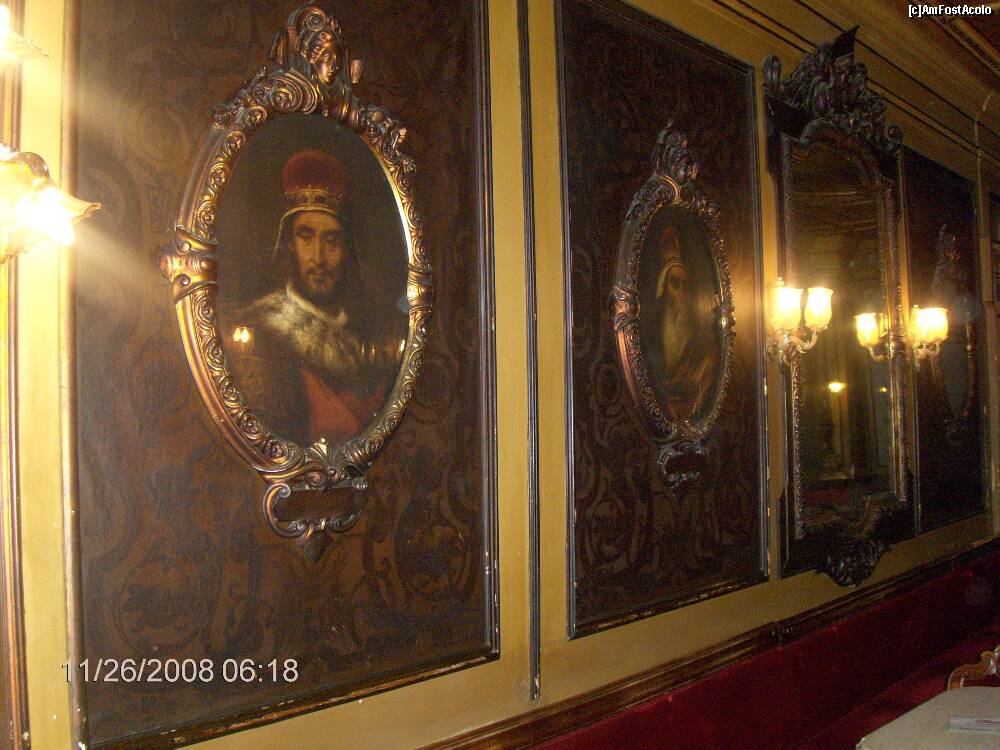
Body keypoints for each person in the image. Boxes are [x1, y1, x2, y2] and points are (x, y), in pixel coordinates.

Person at [228, 149, 403, 447]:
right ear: (290, 244)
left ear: (346, 250)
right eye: (306, 237)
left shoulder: (372, 335)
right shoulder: (260, 325)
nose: (318, 257)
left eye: (331, 241)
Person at [642, 222, 719, 423]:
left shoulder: (697, 333)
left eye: (685, 285)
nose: (681, 293)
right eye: (675, 284)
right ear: (663, 288)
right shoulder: (650, 332)